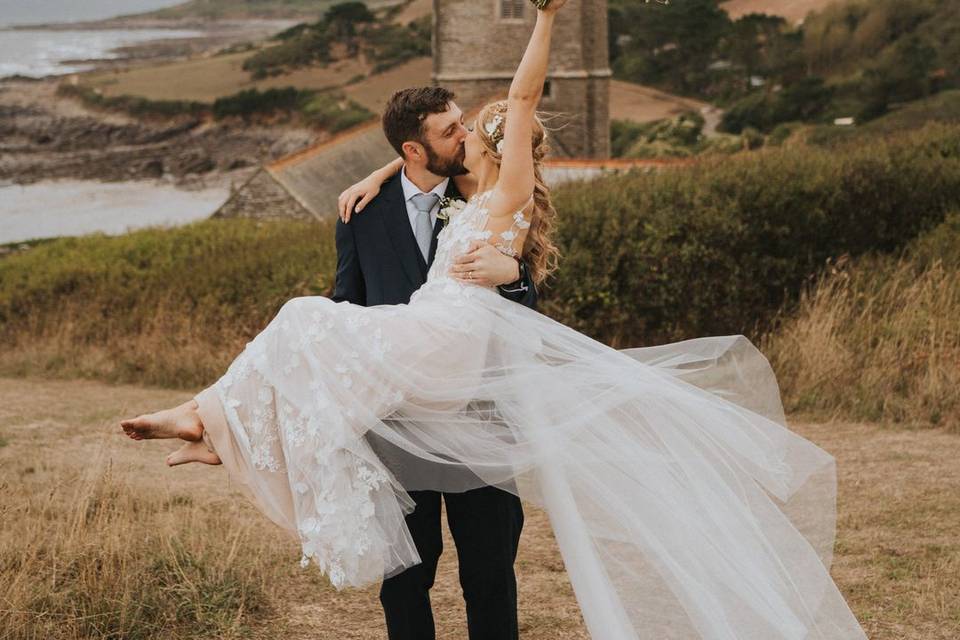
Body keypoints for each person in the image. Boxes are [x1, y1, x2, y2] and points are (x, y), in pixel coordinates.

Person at [120, 2, 869, 638]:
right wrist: (385, 171)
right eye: (453, 134)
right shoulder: (416, 202)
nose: (466, 136)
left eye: (473, 132)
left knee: (481, 566)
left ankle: (209, 425)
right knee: (315, 354)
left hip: (458, 378)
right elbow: (365, 281)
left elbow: (521, 101)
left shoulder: (502, 199)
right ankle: (212, 428)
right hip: (410, 388)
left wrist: (545, 16)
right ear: (418, 151)